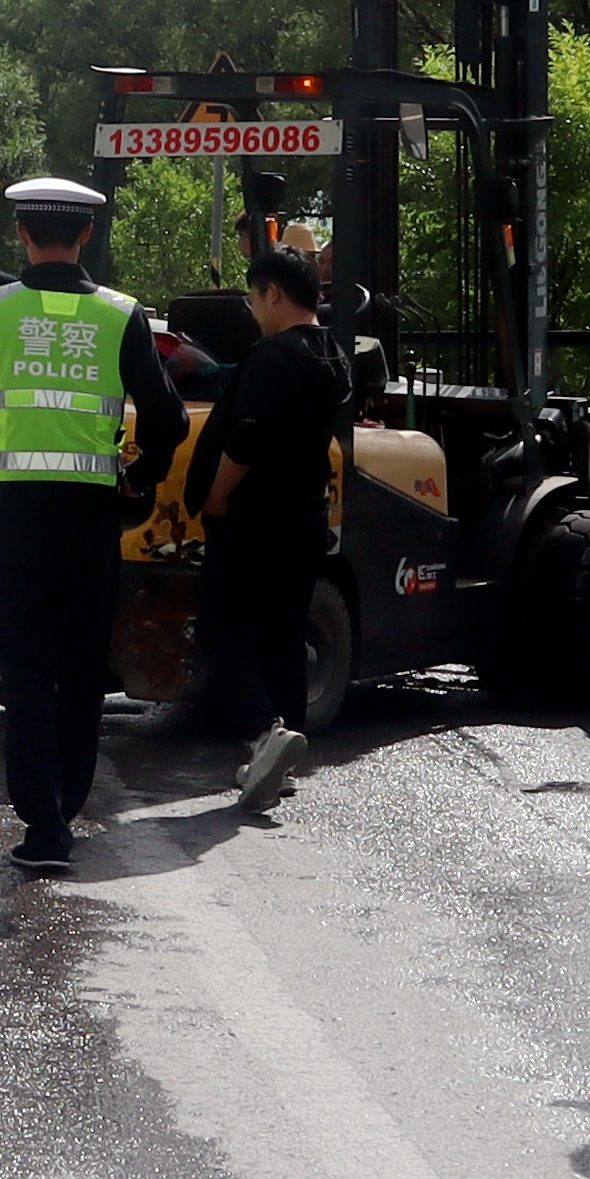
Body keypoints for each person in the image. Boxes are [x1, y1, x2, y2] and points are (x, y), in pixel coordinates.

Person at [0, 175, 186, 877]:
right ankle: (67, 801)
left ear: (22, 235)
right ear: (85, 234)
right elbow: (170, 418)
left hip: (16, 522)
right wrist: (140, 473)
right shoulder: (121, 316)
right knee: (82, 668)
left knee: (26, 672)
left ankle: (44, 822)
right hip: (91, 522)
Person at [183, 246, 347, 817]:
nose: (253, 310)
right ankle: (286, 758)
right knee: (283, 637)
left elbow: (245, 439)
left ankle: (262, 734)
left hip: (253, 519)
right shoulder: (333, 354)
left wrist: (218, 494)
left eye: (255, 297)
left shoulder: (272, 358)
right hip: (303, 519)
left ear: (274, 292)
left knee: (223, 635)